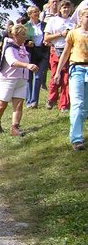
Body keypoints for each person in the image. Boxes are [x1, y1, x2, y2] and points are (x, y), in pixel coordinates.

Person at [0, 24, 39, 137]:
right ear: (15, 35)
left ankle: (15, 128)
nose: (25, 37)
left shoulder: (22, 47)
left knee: (18, 105)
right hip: (7, 80)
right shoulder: (9, 47)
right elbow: (12, 62)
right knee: (2, 105)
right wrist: (27, 65)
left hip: (21, 80)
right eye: (23, 35)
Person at [53, 8, 88, 151]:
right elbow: (66, 53)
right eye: (87, 16)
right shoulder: (73, 33)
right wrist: (58, 72)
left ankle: (78, 132)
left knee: (85, 108)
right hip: (77, 69)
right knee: (77, 104)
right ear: (80, 18)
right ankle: (76, 139)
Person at [44, 0, 75, 112]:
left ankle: (64, 104)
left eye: (68, 7)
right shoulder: (53, 21)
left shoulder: (73, 22)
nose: (66, 9)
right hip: (56, 50)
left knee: (66, 78)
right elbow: (46, 38)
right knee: (55, 76)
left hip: (69, 51)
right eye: (64, 7)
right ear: (60, 9)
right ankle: (51, 99)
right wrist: (60, 34)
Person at [23, 6, 47, 108]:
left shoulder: (45, 25)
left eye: (37, 11)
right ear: (29, 14)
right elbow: (21, 39)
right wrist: (27, 42)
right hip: (30, 53)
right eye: (34, 12)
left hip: (42, 52)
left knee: (38, 77)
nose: (36, 13)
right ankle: (28, 100)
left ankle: (34, 101)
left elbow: (48, 35)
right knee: (29, 78)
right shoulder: (26, 26)